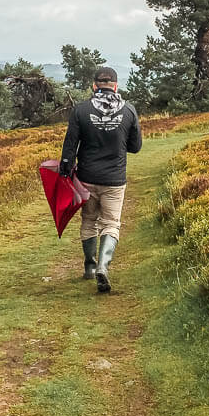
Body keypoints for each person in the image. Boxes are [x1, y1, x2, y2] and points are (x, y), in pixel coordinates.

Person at [59, 66, 142, 292]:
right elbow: (136, 147)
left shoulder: (81, 110)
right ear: (115, 86)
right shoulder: (129, 110)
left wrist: (65, 171)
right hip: (114, 179)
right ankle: (103, 267)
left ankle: (90, 266)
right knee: (111, 223)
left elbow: (70, 146)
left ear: (94, 86)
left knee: (89, 221)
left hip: (86, 178)